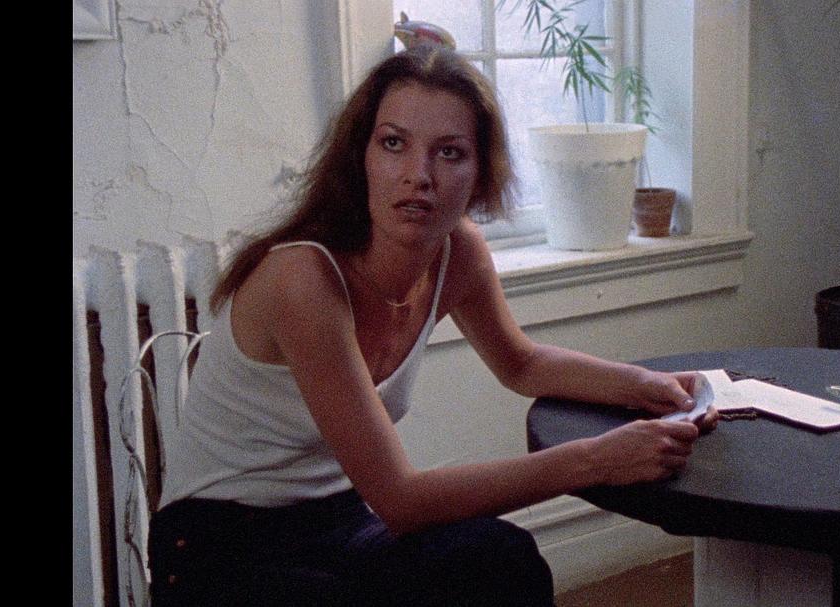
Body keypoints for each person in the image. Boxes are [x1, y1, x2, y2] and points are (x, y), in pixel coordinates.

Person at [147, 45, 718, 607]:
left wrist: (645, 386)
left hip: (337, 519)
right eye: (393, 144)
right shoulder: (301, 279)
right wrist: (596, 460)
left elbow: (521, 363)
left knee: (502, 560)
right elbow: (401, 501)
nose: (418, 176)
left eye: (449, 152)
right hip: (218, 544)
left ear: (480, 172)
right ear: (360, 157)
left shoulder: (457, 251)